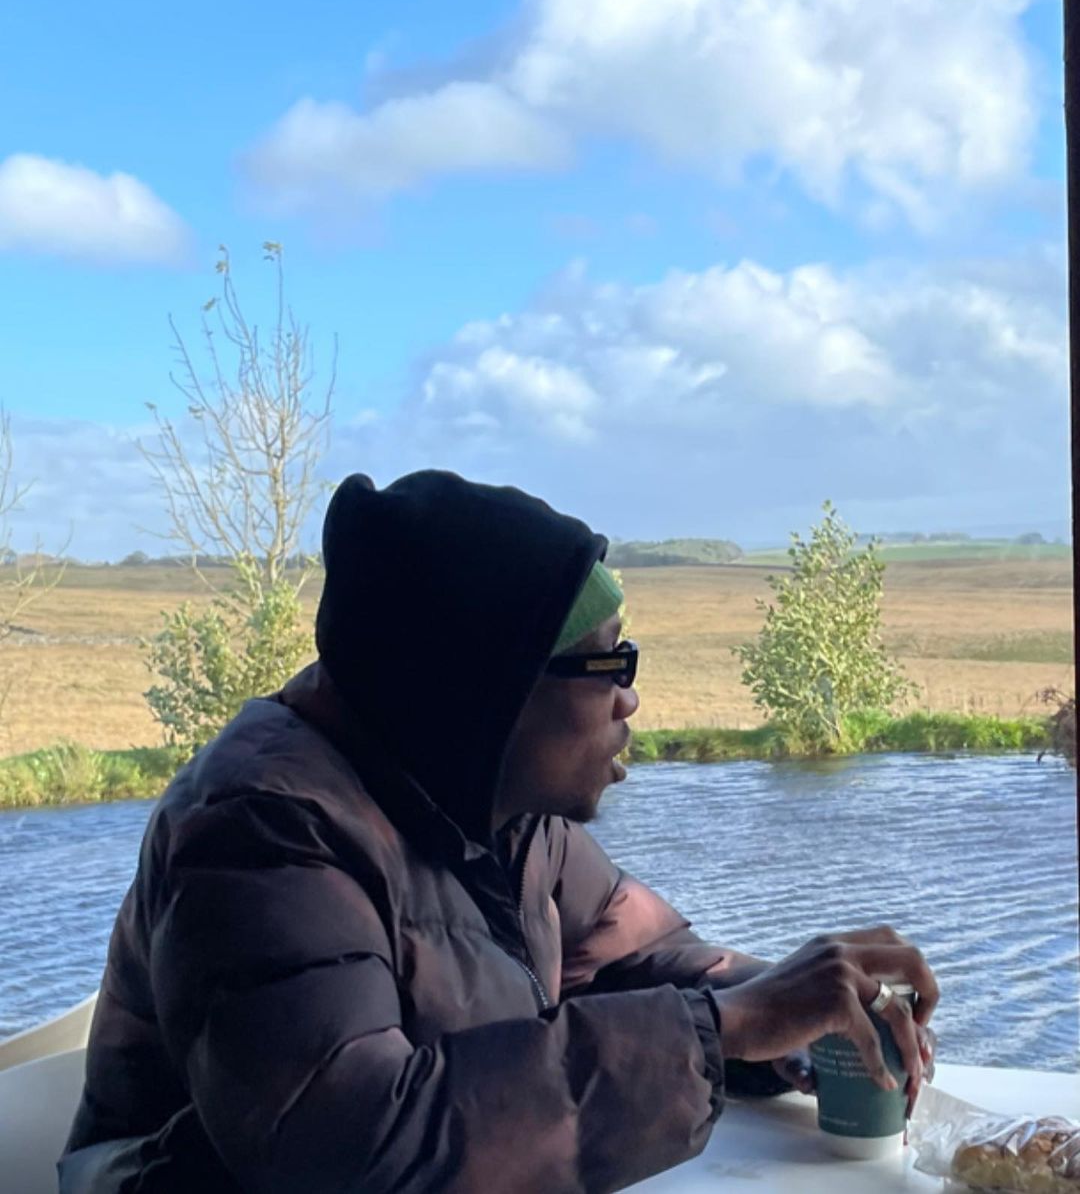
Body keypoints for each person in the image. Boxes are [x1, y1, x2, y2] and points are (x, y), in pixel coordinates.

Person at [61, 470, 938, 1193]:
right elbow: (352, 1146)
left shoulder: (492, 807)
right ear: (487, 688)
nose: (630, 699)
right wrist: (720, 1028)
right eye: (608, 663)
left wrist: (787, 1012)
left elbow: (631, 958)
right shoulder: (262, 833)